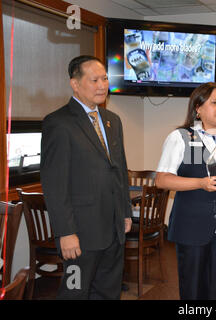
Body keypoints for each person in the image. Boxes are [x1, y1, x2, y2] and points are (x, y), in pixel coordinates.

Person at [40, 55, 132, 299]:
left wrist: (125, 211)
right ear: (75, 84)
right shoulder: (58, 123)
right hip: (80, 234)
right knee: (74, 292)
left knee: (108, 292)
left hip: (112, 230)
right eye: (94, 80)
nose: (102, 85)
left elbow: (120, 169)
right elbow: (54, 184)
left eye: (104, 78)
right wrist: (65, 232)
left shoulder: (113, 121)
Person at [155, 82, 216, 300]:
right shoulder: (180, 137)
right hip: (191, 226)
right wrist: (200, 183)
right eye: (214, 102)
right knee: (194, 290)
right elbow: (162, 180)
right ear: (198, 108)